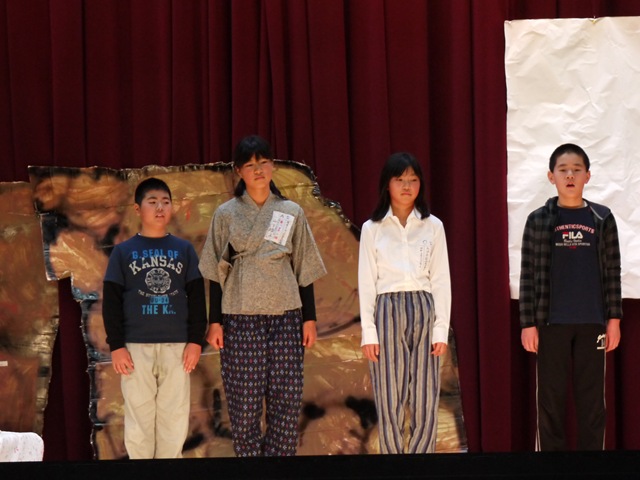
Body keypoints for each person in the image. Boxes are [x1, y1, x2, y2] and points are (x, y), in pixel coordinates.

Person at [198, 134, 327, 456]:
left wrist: (309, 318)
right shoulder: (226, 214)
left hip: (286, 315)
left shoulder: (290, 211)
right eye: (250, 165)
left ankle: (279, 471)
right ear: (238, 171)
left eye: (264, 162)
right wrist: (215, 322)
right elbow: (215, 271)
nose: (258, 170)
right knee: (244, 406)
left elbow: (305, 266)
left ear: (273, 166)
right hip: (240, 315)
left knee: (286, 402)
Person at [519, 143, 622, 451]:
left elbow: (613, 272)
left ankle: (592, 468)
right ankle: (551, 467)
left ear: (587, 176)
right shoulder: (538, 219)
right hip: (550, 323)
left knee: (592, 403)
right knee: (550, 402)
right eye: (563, 170)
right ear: (551, 176)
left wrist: (614, 320)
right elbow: (528, 274)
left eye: (577, 170)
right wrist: (528, 324)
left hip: (593, 322)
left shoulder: (602, 218)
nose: (570, 176)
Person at [102, 177, 207, 459]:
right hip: (135, 347)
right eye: (152, 202)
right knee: (139, 418)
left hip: (177, 347)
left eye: (165, 202)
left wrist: (195, 341)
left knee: (174, 417)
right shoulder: (123, 252)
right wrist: (116, 345)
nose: (160, 207)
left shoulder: (184, 250)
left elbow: (197, 298)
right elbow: (111, 302)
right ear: (138, 209)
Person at [358, 152, 451, 454]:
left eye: (413, 180)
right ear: (388, 184)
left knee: (425, 394)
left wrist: (441, 328)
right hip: (387, 308)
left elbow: (441, 279)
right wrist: (369, 332)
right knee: (389, 396)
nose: (407, 186)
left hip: (424, 305)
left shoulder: (432, 226)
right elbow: (366, 282)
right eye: (400, 180)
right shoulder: (372, 228)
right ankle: (393, 463)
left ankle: (422, 463)